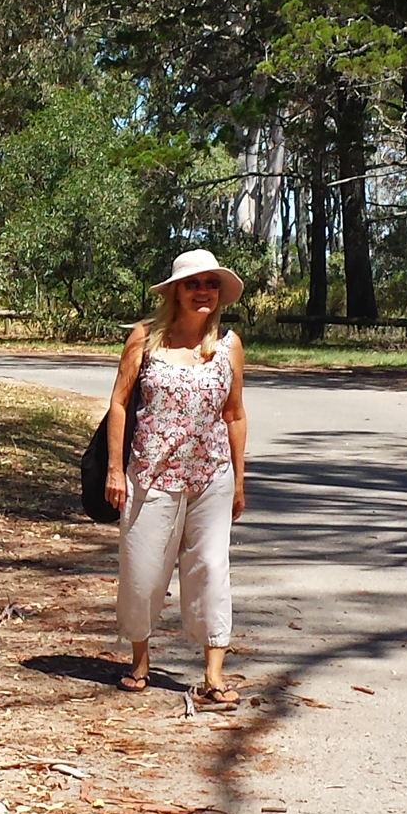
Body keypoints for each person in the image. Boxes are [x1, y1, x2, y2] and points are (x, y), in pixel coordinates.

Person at [105, 248, 247, 701]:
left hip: (211, 477)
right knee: (143, 573)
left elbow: (235, 414)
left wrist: (239, 480)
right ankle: (140, 661)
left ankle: (214, 674)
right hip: (150, 475)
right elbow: (119, 404)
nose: (203, 292)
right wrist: (114, 469)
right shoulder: (144, 340)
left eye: (211, 284)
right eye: (193, 284)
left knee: (211, 570)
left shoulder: (228, 345)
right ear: (175, 292)